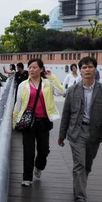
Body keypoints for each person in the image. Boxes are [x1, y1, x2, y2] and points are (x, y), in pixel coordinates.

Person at [58, 56, 102, 202]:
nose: (87, 70)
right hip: (77, 131)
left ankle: (79, 186)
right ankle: (79, 198)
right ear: (80, 70)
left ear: (95, 69)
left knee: (87, 165)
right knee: (80, 164)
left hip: (95, 133)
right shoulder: (72, 90)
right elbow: (66, 114)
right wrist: (61, 135)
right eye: (84, 67)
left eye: (90, 67)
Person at [13, 58, 65, 187]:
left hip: (44, 121)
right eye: (30, 67)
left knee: (44, 150)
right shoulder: (23, 85)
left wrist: (52, 77)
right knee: (28, 151)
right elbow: (18, 105)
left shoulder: (47, 84)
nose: (31, 69)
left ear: (41, 69)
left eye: (35, 67)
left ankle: (39, 166)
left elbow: (62, 92)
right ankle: (27, 178)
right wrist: (15, 123)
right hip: (28, 122)